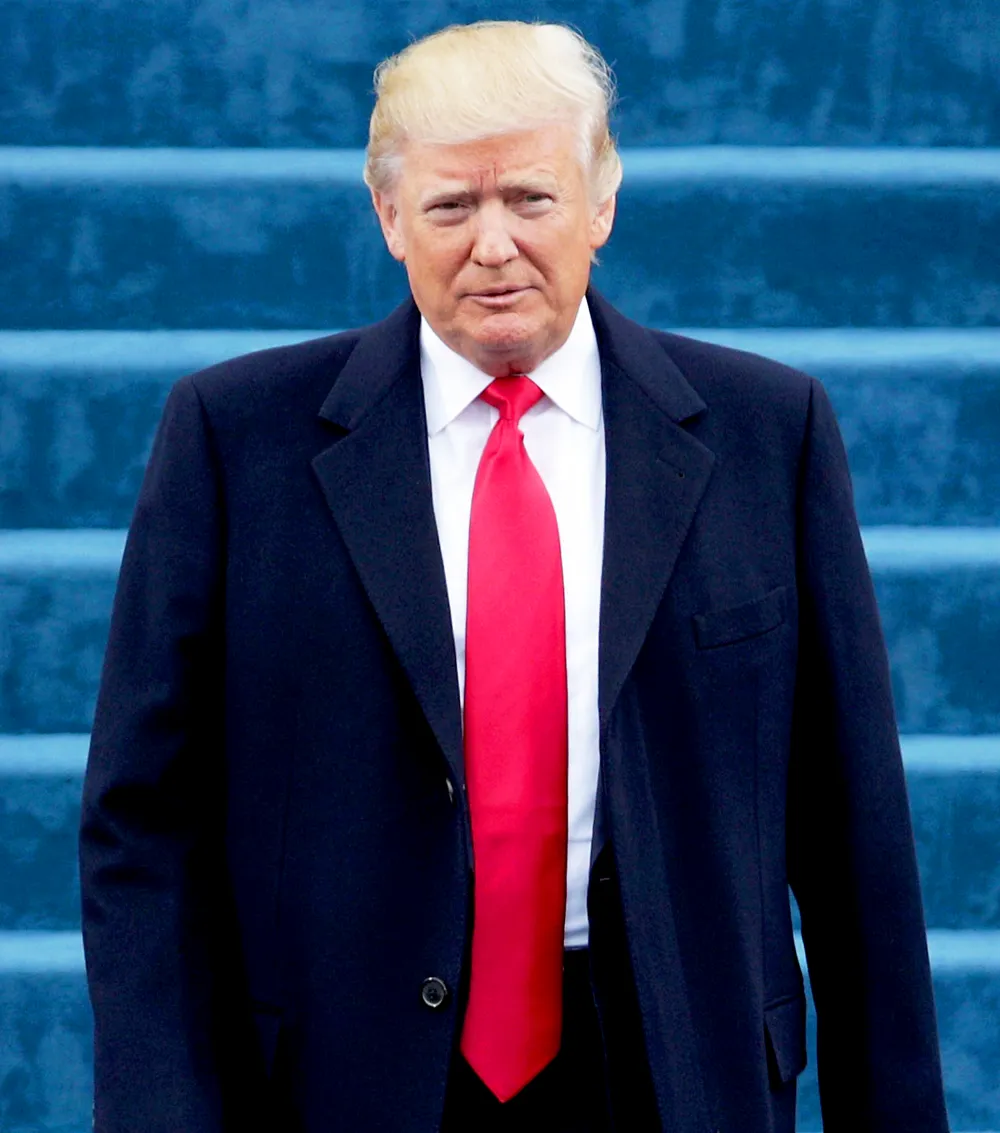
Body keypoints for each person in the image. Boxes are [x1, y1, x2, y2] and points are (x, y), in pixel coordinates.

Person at [79, 20, 950, 1133]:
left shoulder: (765, 434)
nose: (493, 245)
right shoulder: (231, 439)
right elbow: (141, 823)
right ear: (390, 217)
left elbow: (851, 830)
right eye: (452, 206)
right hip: (343, 1076)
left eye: (530, 200)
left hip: (673, 1064)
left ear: (601, 204)